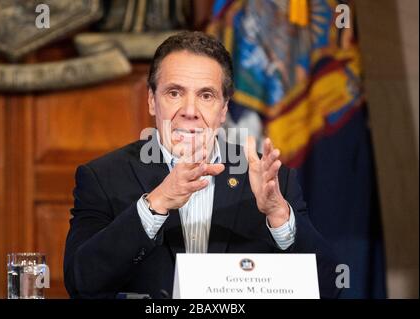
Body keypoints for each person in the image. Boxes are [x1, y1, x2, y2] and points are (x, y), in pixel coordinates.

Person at [64, 31, 339, 299]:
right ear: (151, 100)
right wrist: (155, 204)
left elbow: (329, 286)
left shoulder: (272, 181)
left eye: (206, 96)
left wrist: (280, 216)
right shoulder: (102, 177)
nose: (190, 111)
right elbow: (81, 282)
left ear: (223, 110)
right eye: (174, 93)